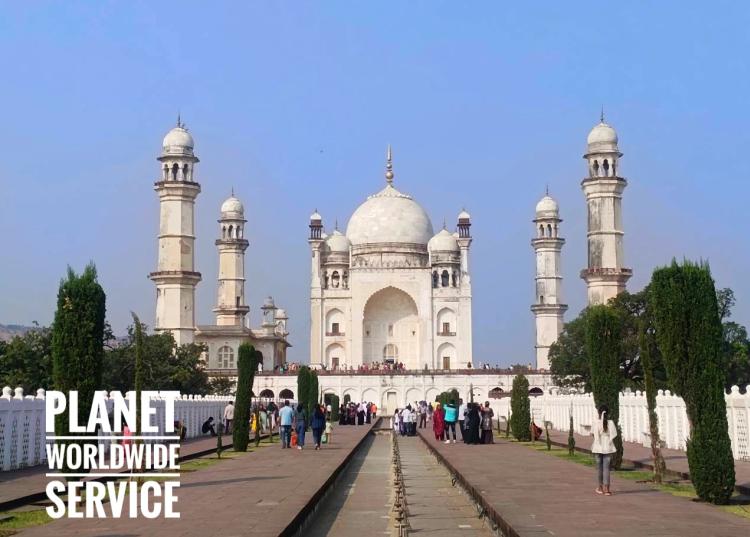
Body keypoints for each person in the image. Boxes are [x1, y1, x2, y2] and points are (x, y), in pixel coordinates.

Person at [592, 404, 618, 496]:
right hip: (608, 447)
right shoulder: (610, 423)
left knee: (599, 468)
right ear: (608, 413)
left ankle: (600, 488)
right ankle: (607, 489)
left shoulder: (596, 422)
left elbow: (593, 434)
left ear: (599, 413)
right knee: (606, 468)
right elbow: (614, 434)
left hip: (598, 447)